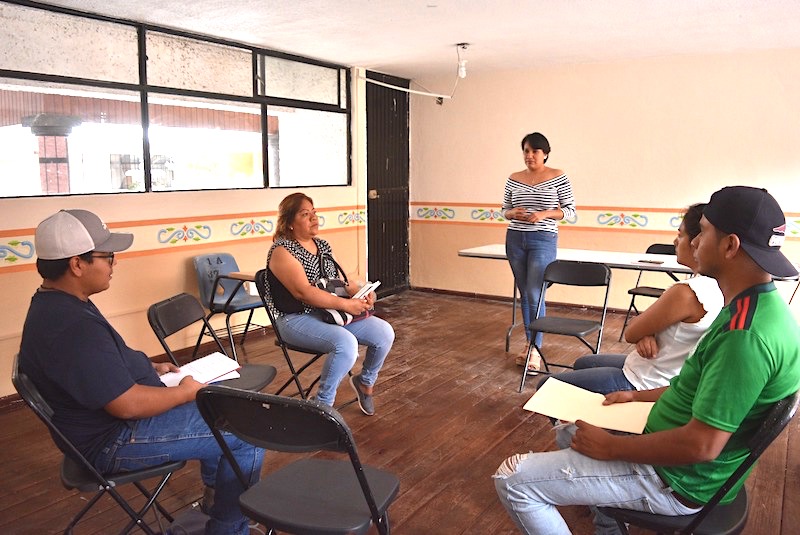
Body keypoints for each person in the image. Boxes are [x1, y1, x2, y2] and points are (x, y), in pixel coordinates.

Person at [494, 186, 800, 535]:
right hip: (674, 450)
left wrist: (612, 447)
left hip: (675, 479)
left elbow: (702, 446)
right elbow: (700, 385)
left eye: (704, 232)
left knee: (513, 478)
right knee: (570, 432)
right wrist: (636, 396)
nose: (696, 243)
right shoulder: (759, 310)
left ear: (730, 246)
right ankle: (609, 527)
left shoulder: (746, 337)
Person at [18, 209, 264, 535]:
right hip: (113, 440)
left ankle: (216, 503)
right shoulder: (71, 326)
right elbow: (127, 405)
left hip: (110, 426)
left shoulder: (60, 303)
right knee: (248, 430)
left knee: (224, 407)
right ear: (77, 264)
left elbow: (99, 363)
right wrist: (183, 391)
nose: (114, 263)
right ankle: (229, 528)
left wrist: (149, 366)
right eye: (108, 256)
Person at [538, 203, 723, 394]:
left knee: (545, 387)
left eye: (680, 235)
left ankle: (575, 423)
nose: (676, 242)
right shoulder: (719, 286)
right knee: (585, 362)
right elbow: (644, 327)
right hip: (666, 369)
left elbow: (631, 332)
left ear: (697, 242)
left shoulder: (686, 293)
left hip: (647, 380)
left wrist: (641, 331)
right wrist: (647, 332)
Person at [264, 192, 394, 415]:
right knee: (346, 344)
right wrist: (346, 305)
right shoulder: (282, 251)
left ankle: (365, 383)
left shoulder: (322, 246)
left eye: (314, 213)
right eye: (305, 214)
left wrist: (362, 292)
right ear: (289, 223)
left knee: (384, 333)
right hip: (295, 319)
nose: (314, 218)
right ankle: (322, 405)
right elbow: (303, 292)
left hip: (330, 314)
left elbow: (341, 282)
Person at [502, 132, 576, 372]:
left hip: (543, 239)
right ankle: (529, 343)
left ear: (545, 153)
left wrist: (543, 214)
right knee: (525, 293)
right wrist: (513, 214)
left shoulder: (558, 176)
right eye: (526, 151)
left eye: (534, 151)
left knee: (535, 292)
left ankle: (535, 348)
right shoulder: (514, 178)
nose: (529, 156)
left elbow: (570, 211)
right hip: (515, 239)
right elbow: (505, 209)